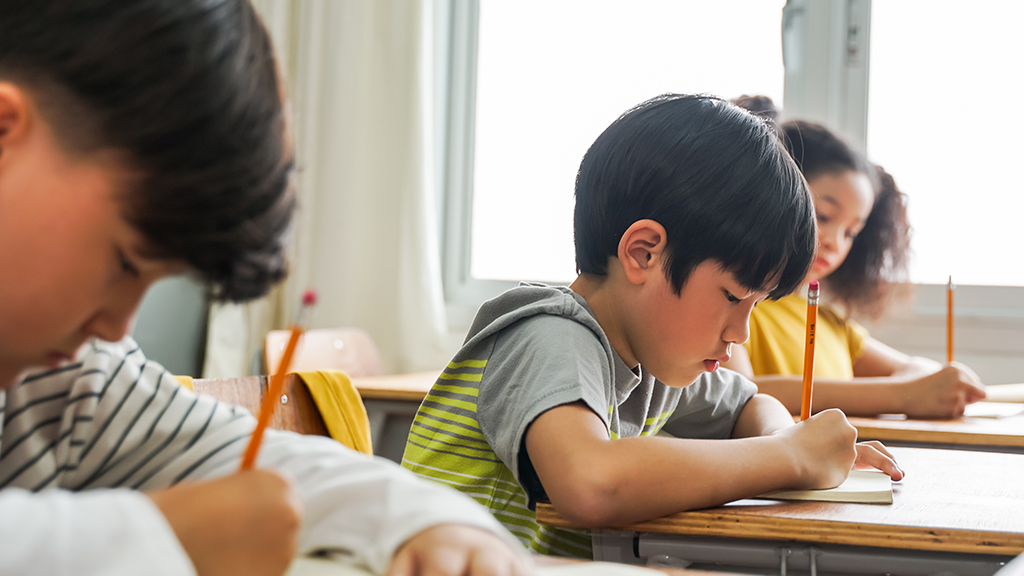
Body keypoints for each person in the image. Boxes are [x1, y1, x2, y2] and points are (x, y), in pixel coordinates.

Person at [0, 1, 530, 575]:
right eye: (126, 263)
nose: (118, 328)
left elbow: (250, 464)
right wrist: (161, 538)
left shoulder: (69, 378)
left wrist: (436, 521)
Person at [401, 94, 903, 558]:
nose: (740, 333)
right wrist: (788, 457)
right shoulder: (547, 335)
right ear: (644, 253)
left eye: (754, 307)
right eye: (732, 297)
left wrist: (785, 442)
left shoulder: (652, 365)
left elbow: (750, 403)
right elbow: (591, 484)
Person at [723, 100, 986, 418]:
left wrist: (932, 383)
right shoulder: (736, 305)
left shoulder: (832, 323)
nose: (834, 242)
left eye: (851, 232)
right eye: (823, 216)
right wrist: (900, 396)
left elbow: (916, 368)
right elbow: (740, 391)